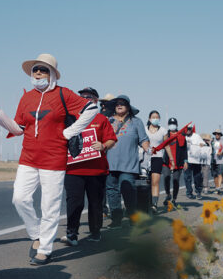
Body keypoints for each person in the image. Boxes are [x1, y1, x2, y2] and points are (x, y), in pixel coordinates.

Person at [0, 54, 97, 265]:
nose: (38, 73)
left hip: (53, 158)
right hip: (28, 156)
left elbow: (91, 109)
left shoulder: (64, 94)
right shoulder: (26, 98)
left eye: (43, 70)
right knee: (19, 198)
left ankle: (45, 249)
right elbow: (18, 129)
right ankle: (36, 234)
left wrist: (70, 131)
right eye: (35, 69)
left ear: (52, 74)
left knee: (49, 206)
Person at [61, 87, 117, 245]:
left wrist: (104, 145)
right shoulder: (69, 117)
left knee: (95, 203)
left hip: (96, 170)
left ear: (96, 101)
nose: (85, 99)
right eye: (82, 96)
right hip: (73, 169)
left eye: (89, 97)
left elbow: (112, 139)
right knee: (74, 202)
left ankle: (95, 231)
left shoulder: (101, 119)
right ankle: (72, 234)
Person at [106, 95, 150, 228]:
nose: (119, 105)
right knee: (112, 192)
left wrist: (149, 150)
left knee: (128, 190)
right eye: (117, 103)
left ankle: (132, 217)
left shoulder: (136, 121)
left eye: (122, 103)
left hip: (129, 165)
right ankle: (116, 219)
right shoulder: (108, 120)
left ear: (128, 107)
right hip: (110, 163)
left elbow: (143, 139)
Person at [161, 117, 187, 205]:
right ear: (168, 125)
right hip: (166, 161)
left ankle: (174, 199)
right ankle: (168, 194)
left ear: (177, 125)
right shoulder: (165, 135)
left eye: (174, 124)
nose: (172, 126)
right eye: (170, 124)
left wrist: (185, 161)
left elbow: (184, 149)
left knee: (176, 180)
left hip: (178, 161)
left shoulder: (181, 135)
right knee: (166, 178)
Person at [145, 110, 167, 214]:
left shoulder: (163, 130)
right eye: (153, 117)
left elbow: (166, 145)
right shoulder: (144, 130)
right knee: (146, 182)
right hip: (145, 159)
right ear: (149, 119)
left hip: (157, 158)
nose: (155, 119)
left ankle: (154, 205)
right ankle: (146, 203)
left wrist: (171, 159)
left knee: (155, 182)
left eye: (157, 117)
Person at [184, 124, 208, 199]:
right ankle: (189, 192)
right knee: (187, 177)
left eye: (190, 129)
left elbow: (203, 144)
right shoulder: (183, 137)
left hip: (196, 160)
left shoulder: (196, 136)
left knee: (197, 177)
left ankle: (198, 192)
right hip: (187, 160)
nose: (188, 130)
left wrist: (202, 145)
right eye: (187, 129)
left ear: (192, 129)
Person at [212, 129, 223, 194]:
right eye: (216, 134)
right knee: (214, 175)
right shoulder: (212, 141)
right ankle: (217, 188)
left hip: (221, 160)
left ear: (220, 135)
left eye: (218, 134)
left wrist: (221, 153)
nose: (217, 135)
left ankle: (219, 188)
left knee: (220, 174)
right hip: (213, 160)